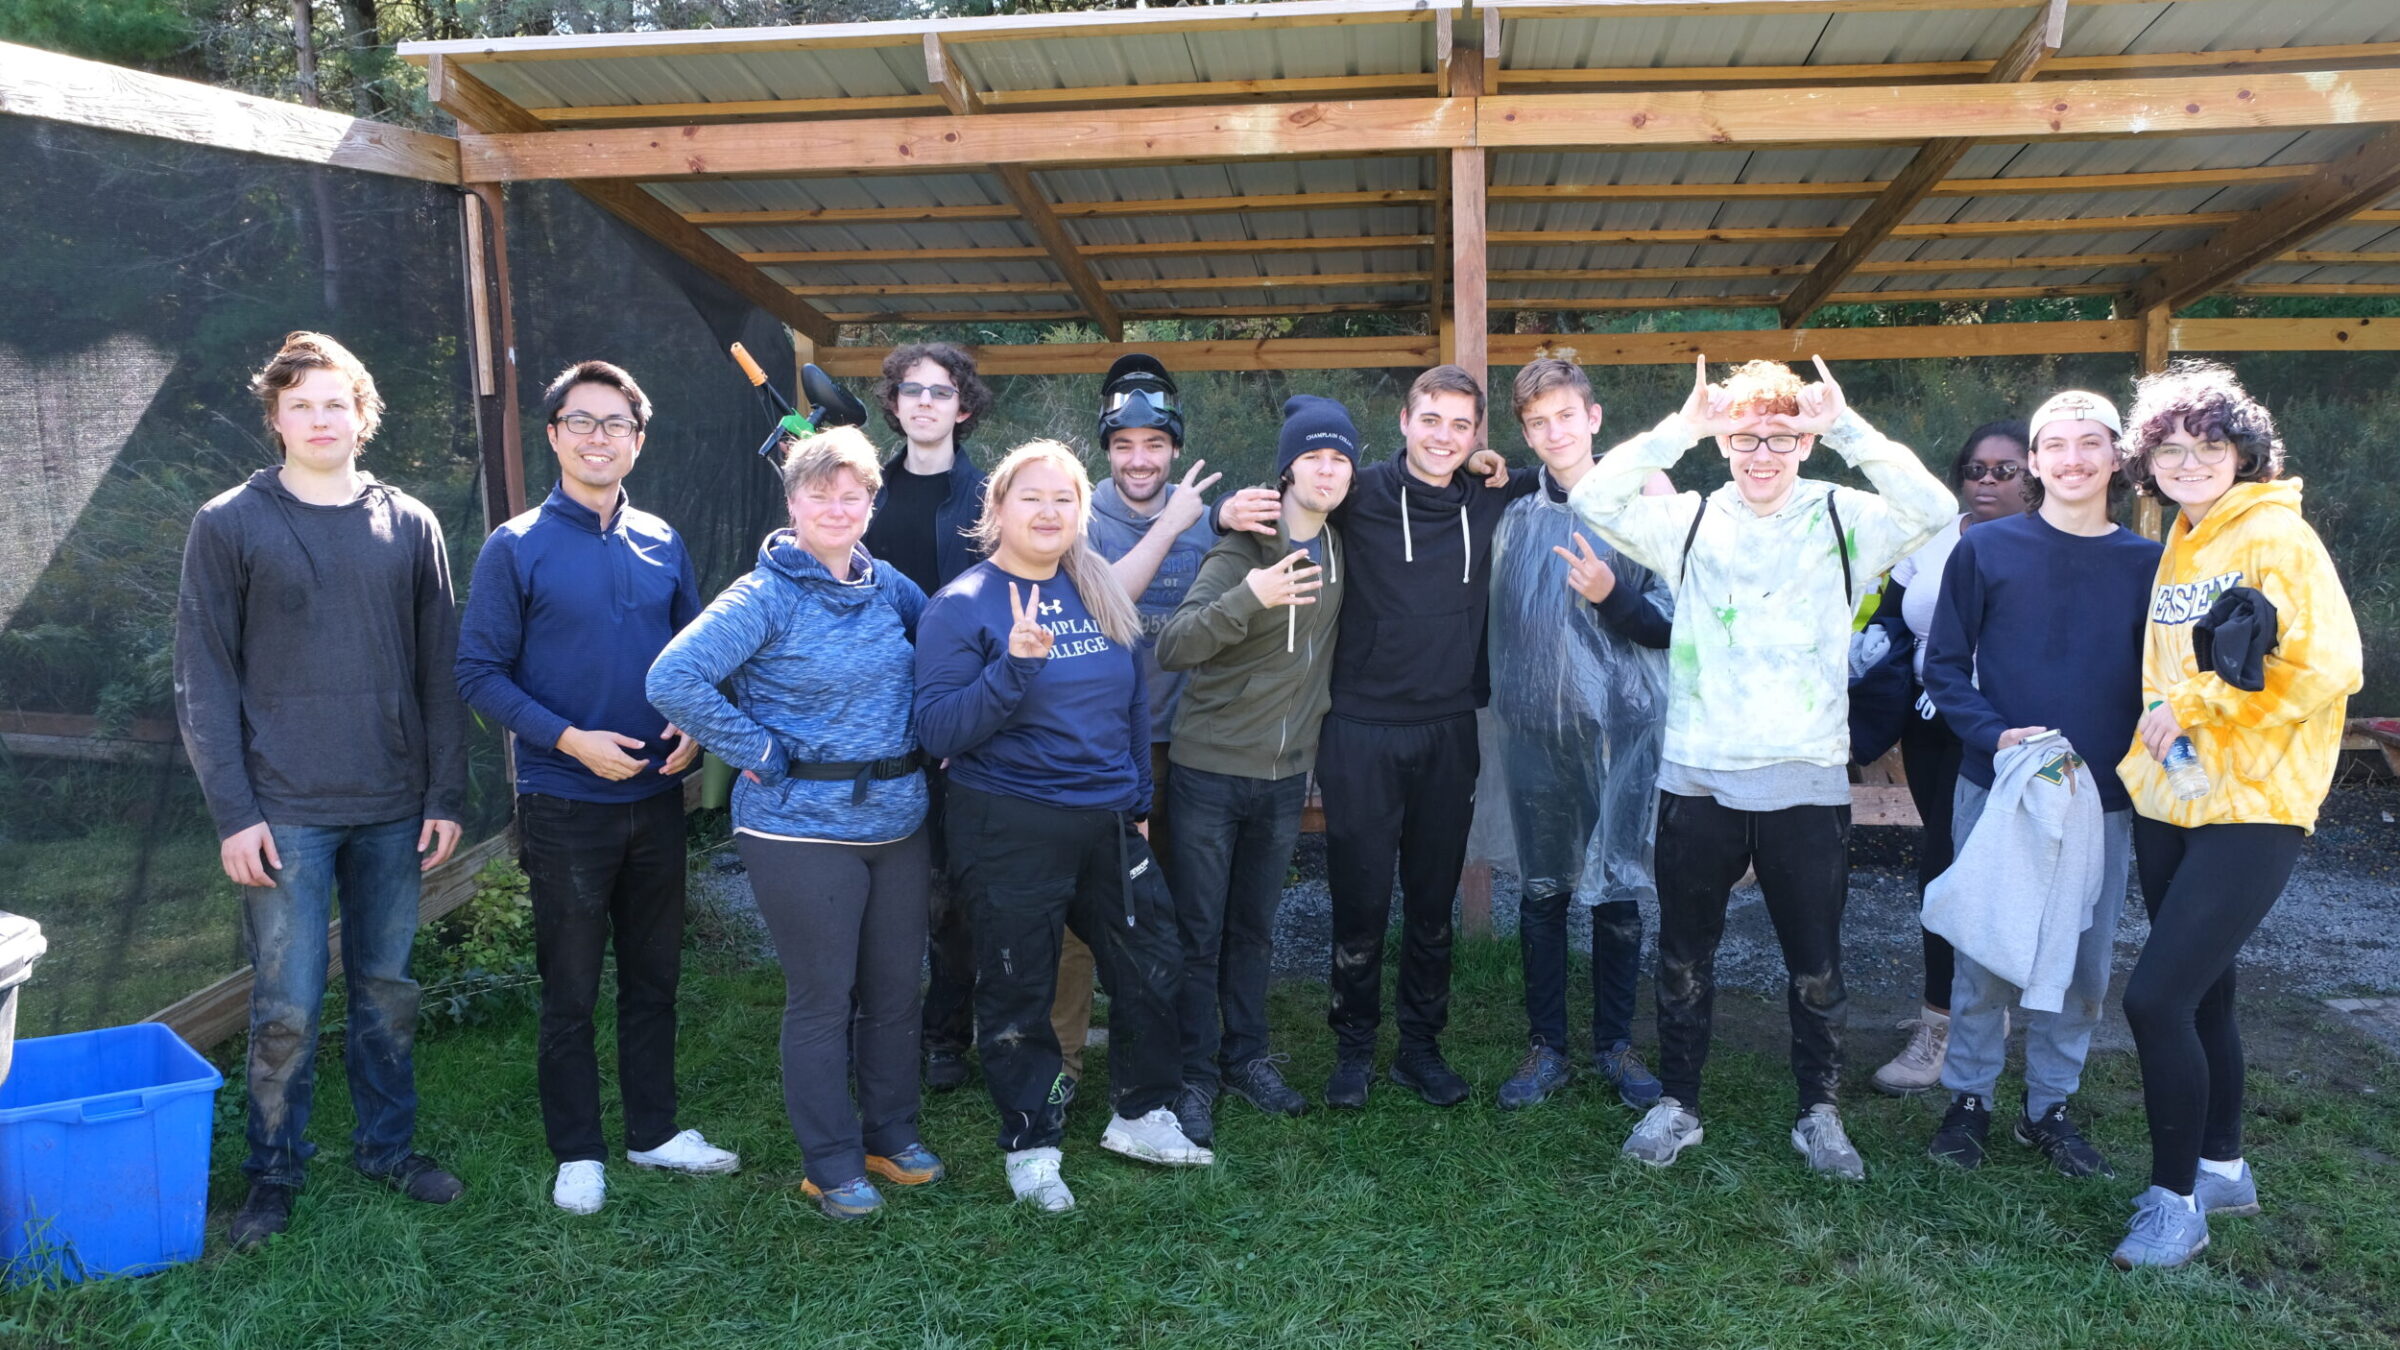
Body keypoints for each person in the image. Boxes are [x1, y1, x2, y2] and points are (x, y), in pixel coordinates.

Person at [1570, 355, 1952, 1179]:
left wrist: (1846, 426)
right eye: (1745, 437)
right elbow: (1593, 499)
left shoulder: (1846, 516)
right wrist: (1685, 427)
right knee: (1684, 954)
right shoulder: (1695, 520)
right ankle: (1679, 1104)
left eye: (1782, 436)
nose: (1763, 454)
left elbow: (1936, 506)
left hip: (1805, 780)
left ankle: (1820, 1113)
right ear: (1726, 440)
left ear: (1805, 441)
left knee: (1816, 965)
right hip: (1699, 776)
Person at [173, 331, 469, 1250]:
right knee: (287, 1007)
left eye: (335, 402)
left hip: (393, 805)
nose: (319, 417)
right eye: (300, 403)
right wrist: (235, 813)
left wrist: (446, 794)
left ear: (363, 413)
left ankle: (386, 1149)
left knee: (385, 992)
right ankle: (273, 1172)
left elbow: (440, 671)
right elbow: (203, 677)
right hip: (283, 812)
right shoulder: (229, 523)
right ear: (276, 417)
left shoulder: (409, 522)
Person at [455, 360, 736, 1217]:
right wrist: (571, 740)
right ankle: (577, 1149)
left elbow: (693, 652)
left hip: (654, 800)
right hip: (564, 803)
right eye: (581, 422)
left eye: (615, 424)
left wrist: (694, 725)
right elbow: (478, 673)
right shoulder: (516, 545)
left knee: (654, 979)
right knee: (570, 988)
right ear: (554, 436)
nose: (598, 437)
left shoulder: (662, 539)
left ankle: (653, 1132)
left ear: (637, 441)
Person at [648, 426, 943, 1221]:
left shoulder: (892, 590)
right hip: (798, 828)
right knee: (823, 997)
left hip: (898, 824)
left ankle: (890, 1133)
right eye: (820, 493)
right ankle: (832, 1161)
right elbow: (672, 677)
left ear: (872, 503)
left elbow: (943, 652)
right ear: (792, 501)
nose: (837, 507)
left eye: (853, 494)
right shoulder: (762, 597)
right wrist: (760, 750)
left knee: (892, 992)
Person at [2109, 362, 2361, 1269]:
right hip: (2173, 796)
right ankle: (2223, 1167)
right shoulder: (2182, 536)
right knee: (2207, 992)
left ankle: (2174, 1203)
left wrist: (2202, 706)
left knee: (2154, 997)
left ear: (2244, 451)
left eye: (2209, 445)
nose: (2189, 461)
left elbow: (2327, 664)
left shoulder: (2276, 537)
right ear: (2147, 463)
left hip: (2254, 806)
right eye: (2170, 449)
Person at [914, 440, 1210, 1212]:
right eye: (1032, 498)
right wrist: (1012, 666)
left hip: (1108, 817)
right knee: (1019, 984)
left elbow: (1131, 702)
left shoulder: (1096, 585)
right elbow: (940, 731)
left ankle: (1141, 1113)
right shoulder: (964, 604)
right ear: (998, 510)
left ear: (1080, 513)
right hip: (1010, 823)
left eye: (1064, 500)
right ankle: (1032, 1142)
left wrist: (1139, 802)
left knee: (1154, 961)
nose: (1049, 513)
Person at [1917, 391, 2158, 1180]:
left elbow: (2168, 680)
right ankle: (1971, 1100)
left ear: (2116, 459)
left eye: (2091, 443)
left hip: (2102, 799)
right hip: (2001, 786)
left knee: (2083, 963)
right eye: (2055, 444)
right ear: (2035, 461)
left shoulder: (2150, 564)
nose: (2073, 459)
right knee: (1985, 950)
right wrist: (1993, 734)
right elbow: (1945, 668)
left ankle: (2048, 1106)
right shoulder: (1987, 551)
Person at [1319, 364, 1538, 1109]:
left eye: (1461, 425)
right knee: (1359, 899)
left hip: (1449, 728)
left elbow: (1575, 474)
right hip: (1359, 728)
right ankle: (1352, 1050)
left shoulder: (1492, 490)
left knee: (1433, 901)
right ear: (1405, 422)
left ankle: (1419, 1046)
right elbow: (1281, 494)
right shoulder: (1359, 492)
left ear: (1478, 435)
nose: (1445, 436)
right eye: (1431, 420)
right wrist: (1223, 514)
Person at [1154, 395, 1358, 1144]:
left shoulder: (1341, 544)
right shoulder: (1245, 543)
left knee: (1255, 930)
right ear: (1287, 468)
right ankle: (1194, 1074)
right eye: (1314, 457)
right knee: (1200, 931)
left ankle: (1248, 1058)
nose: (1328, 469)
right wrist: (1250, 596)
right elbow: (1176, 643)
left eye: (1340, 458)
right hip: (1209, 772)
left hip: (1282, 779)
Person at [1489, 358, 1672, 1112]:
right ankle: (1548, 1046)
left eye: (1566, 415)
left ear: (1594, 418)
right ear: (1525, 432)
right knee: (1543, 890)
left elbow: (1672, 622)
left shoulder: (1643, 503)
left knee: (1619, 886)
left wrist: (1613, 597)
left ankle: (1616, 1044)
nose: (1553, 432)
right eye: (1537, 422)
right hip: (1534, 736)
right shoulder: (1511, 512)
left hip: (1621, 735)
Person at [1060, 353, 1222, 1110]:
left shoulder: (1207, 516)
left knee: (1175, 910)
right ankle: (1062, 1060)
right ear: (1106, 447)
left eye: (1153, 444)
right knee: (1082, 911)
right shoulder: (1075, 517)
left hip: (1186, 742)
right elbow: (1100, 610)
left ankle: (1179, 1058)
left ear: (1175, 446)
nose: (1138, 459)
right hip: (1096, 744)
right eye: (1123, 444)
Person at [1869, 419, 2033, 1096]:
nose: (1986, 482)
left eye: (2005, 470)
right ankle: (1939, 1022)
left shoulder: (2046, 543)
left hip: (2015, 727)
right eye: (1975, 468)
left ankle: (1989, 1018)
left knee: (2006, 873)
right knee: (1942, 867)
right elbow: (1889, 609)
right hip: (1934, 722)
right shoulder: (1937, 534)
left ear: (2035, 478)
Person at [859, 342, 991, 1096]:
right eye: (911, 390)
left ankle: (946, 1035)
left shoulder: (986, 497)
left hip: (959, 718)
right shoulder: (863, 491)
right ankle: (873, 1029)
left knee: (953, 892)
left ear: (962, 407)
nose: (925, 402)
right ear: (895, 403)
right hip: (872, 713)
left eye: (940, 392)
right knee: (877, 884)